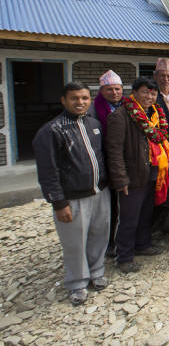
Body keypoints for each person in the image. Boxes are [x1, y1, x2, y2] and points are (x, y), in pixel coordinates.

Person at [33, 82, 110, 305]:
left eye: (85, 98)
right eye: (75, 98)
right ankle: (77, 283)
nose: (80, 102)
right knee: (74, 242)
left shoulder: (94, 124)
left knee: (99, 235)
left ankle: (96, 273)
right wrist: (58, 202)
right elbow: (48, 171)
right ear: (63, 100)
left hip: (99, 192)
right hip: (73, 198)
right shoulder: (52, 130)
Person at [106, 77, 169, 273]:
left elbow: (159, 138)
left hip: (152, 172)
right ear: (133, 92)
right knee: (128, 218)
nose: (149, 97)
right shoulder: (121, 116)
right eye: (145, 92)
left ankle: (143, 244)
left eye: (153, 93)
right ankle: (123, 256)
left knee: (145, 213)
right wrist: (120, 178)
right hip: (132, 175)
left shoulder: (156, 114)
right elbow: (114, 151)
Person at [86, 70, 123, 257]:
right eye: (110, 89)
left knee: (121, 204)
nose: (114, 93)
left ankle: (119, 239)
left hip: (124, 162)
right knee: (107, 208)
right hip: (103, 162)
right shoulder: (94, 110)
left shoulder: (126, 107)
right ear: (101, 90)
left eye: (117, 89)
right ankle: (106, 243)